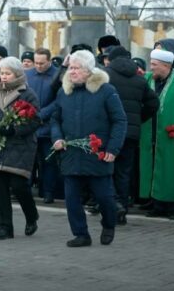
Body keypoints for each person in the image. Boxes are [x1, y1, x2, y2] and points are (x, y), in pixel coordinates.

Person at [50, 50, 127, 247]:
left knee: (105, 198)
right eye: (70, 68)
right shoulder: (64, 92)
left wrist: (113, 148)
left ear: (88, 70)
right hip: (71, 154)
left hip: (98, 154)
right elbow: (55, 119)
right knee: (72, 199)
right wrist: (57, 137)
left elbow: (119, 120)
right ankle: (81, 234)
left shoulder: (106, 91)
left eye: (76, 68)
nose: (71, 72)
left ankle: (109, 224)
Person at [0, 57, 40, 239]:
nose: (4, 77)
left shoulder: (27, 94)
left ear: (17, 74)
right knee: (0, 187)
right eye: (1, 73)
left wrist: (14, 129)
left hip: (20, 146)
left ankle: (31, 216)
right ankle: (5, 227)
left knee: (19, 185)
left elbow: (35, 120)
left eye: (8, 73)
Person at [104, 46, 159, 224]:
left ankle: (112, 206)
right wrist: (138, 120)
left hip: (108, 132)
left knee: (106, 170)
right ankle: (122, 207)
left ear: (110, 60)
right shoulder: (140, 79)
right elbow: (153, 104)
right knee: (124, 172)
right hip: (130, 133)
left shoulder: (105, 76)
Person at [139, 49, 174, 219]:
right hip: (150, 132)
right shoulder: (147, 78)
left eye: (154, 65)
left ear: (165, 66)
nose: (151, 67)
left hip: (172, 134)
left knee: (172, 170)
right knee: (154, 168)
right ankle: (157, 205)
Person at [25, 48, 62, 204]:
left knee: (49, 162)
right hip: (30, 125)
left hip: (48, 126)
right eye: (36, 63)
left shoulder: (57, 75)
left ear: (49, 61)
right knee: (29, 161)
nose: (38, 66)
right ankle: (26, 191)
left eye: (42, 63)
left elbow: (60, 99)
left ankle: (48, 192)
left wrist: (43, 113)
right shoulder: (28, 75)